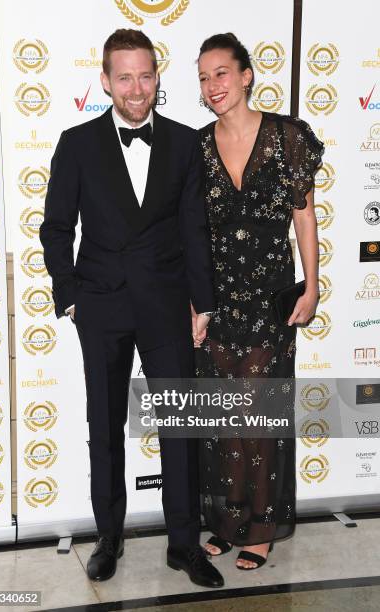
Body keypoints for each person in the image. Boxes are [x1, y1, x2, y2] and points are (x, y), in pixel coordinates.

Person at [40, 28, 223, 589]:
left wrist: (204, 304)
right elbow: (55, 227)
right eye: (125, 76)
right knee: (105, 425)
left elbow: (195, 229)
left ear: (156, 78)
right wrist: (69, 296)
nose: (136, 88)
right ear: (105, 81)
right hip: (101, 305)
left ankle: (184, 545)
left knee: (179, 428)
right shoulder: (76, 142)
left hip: (168, 304)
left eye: (146, 75)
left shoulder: (185, 142)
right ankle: (109, 538)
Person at [194, 33, 324, 570]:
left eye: (221, 73)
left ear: (246, 75)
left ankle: (262, 527)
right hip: (218, 302)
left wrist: (313, 286)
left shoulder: (287, 137)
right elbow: (192, 233)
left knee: (259, 417)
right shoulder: (196, 147)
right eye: (202, 78)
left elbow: (304, 216)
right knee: (224, 418)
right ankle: (229, 519)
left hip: (271, 301)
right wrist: (194, 304)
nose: (212, 86)